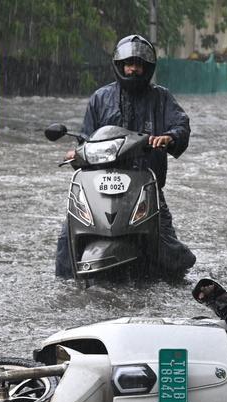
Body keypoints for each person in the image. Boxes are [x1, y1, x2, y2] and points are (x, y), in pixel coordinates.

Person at [55, 34, 196, 280]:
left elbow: (181, 126)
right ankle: (67, 284)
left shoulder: (161, 98)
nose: (134, 68)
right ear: (120, 66)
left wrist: (169, 138)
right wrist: (77, 152)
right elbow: (87, 138)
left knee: (170, 251)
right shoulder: (100, 98)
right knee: (69, 233)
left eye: (139, 64)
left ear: (147, 68)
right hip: (99, 184)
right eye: (129, 63)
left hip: (144, 185)